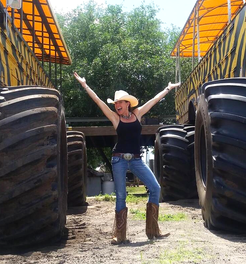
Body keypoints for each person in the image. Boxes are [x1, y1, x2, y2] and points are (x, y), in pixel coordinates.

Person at [73, 72, 180, 244]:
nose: (117, 105)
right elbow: (99, 102)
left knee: (155, 188)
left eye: (119, 102)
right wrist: (85, 85)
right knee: (121, 195)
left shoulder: (137, 114)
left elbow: (153, 100)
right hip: (119, 160)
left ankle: (153, 230)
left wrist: (168, 88)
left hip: (136, 159)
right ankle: (120, 235)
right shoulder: (115, 118)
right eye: (115, 103)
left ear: (127, 103)